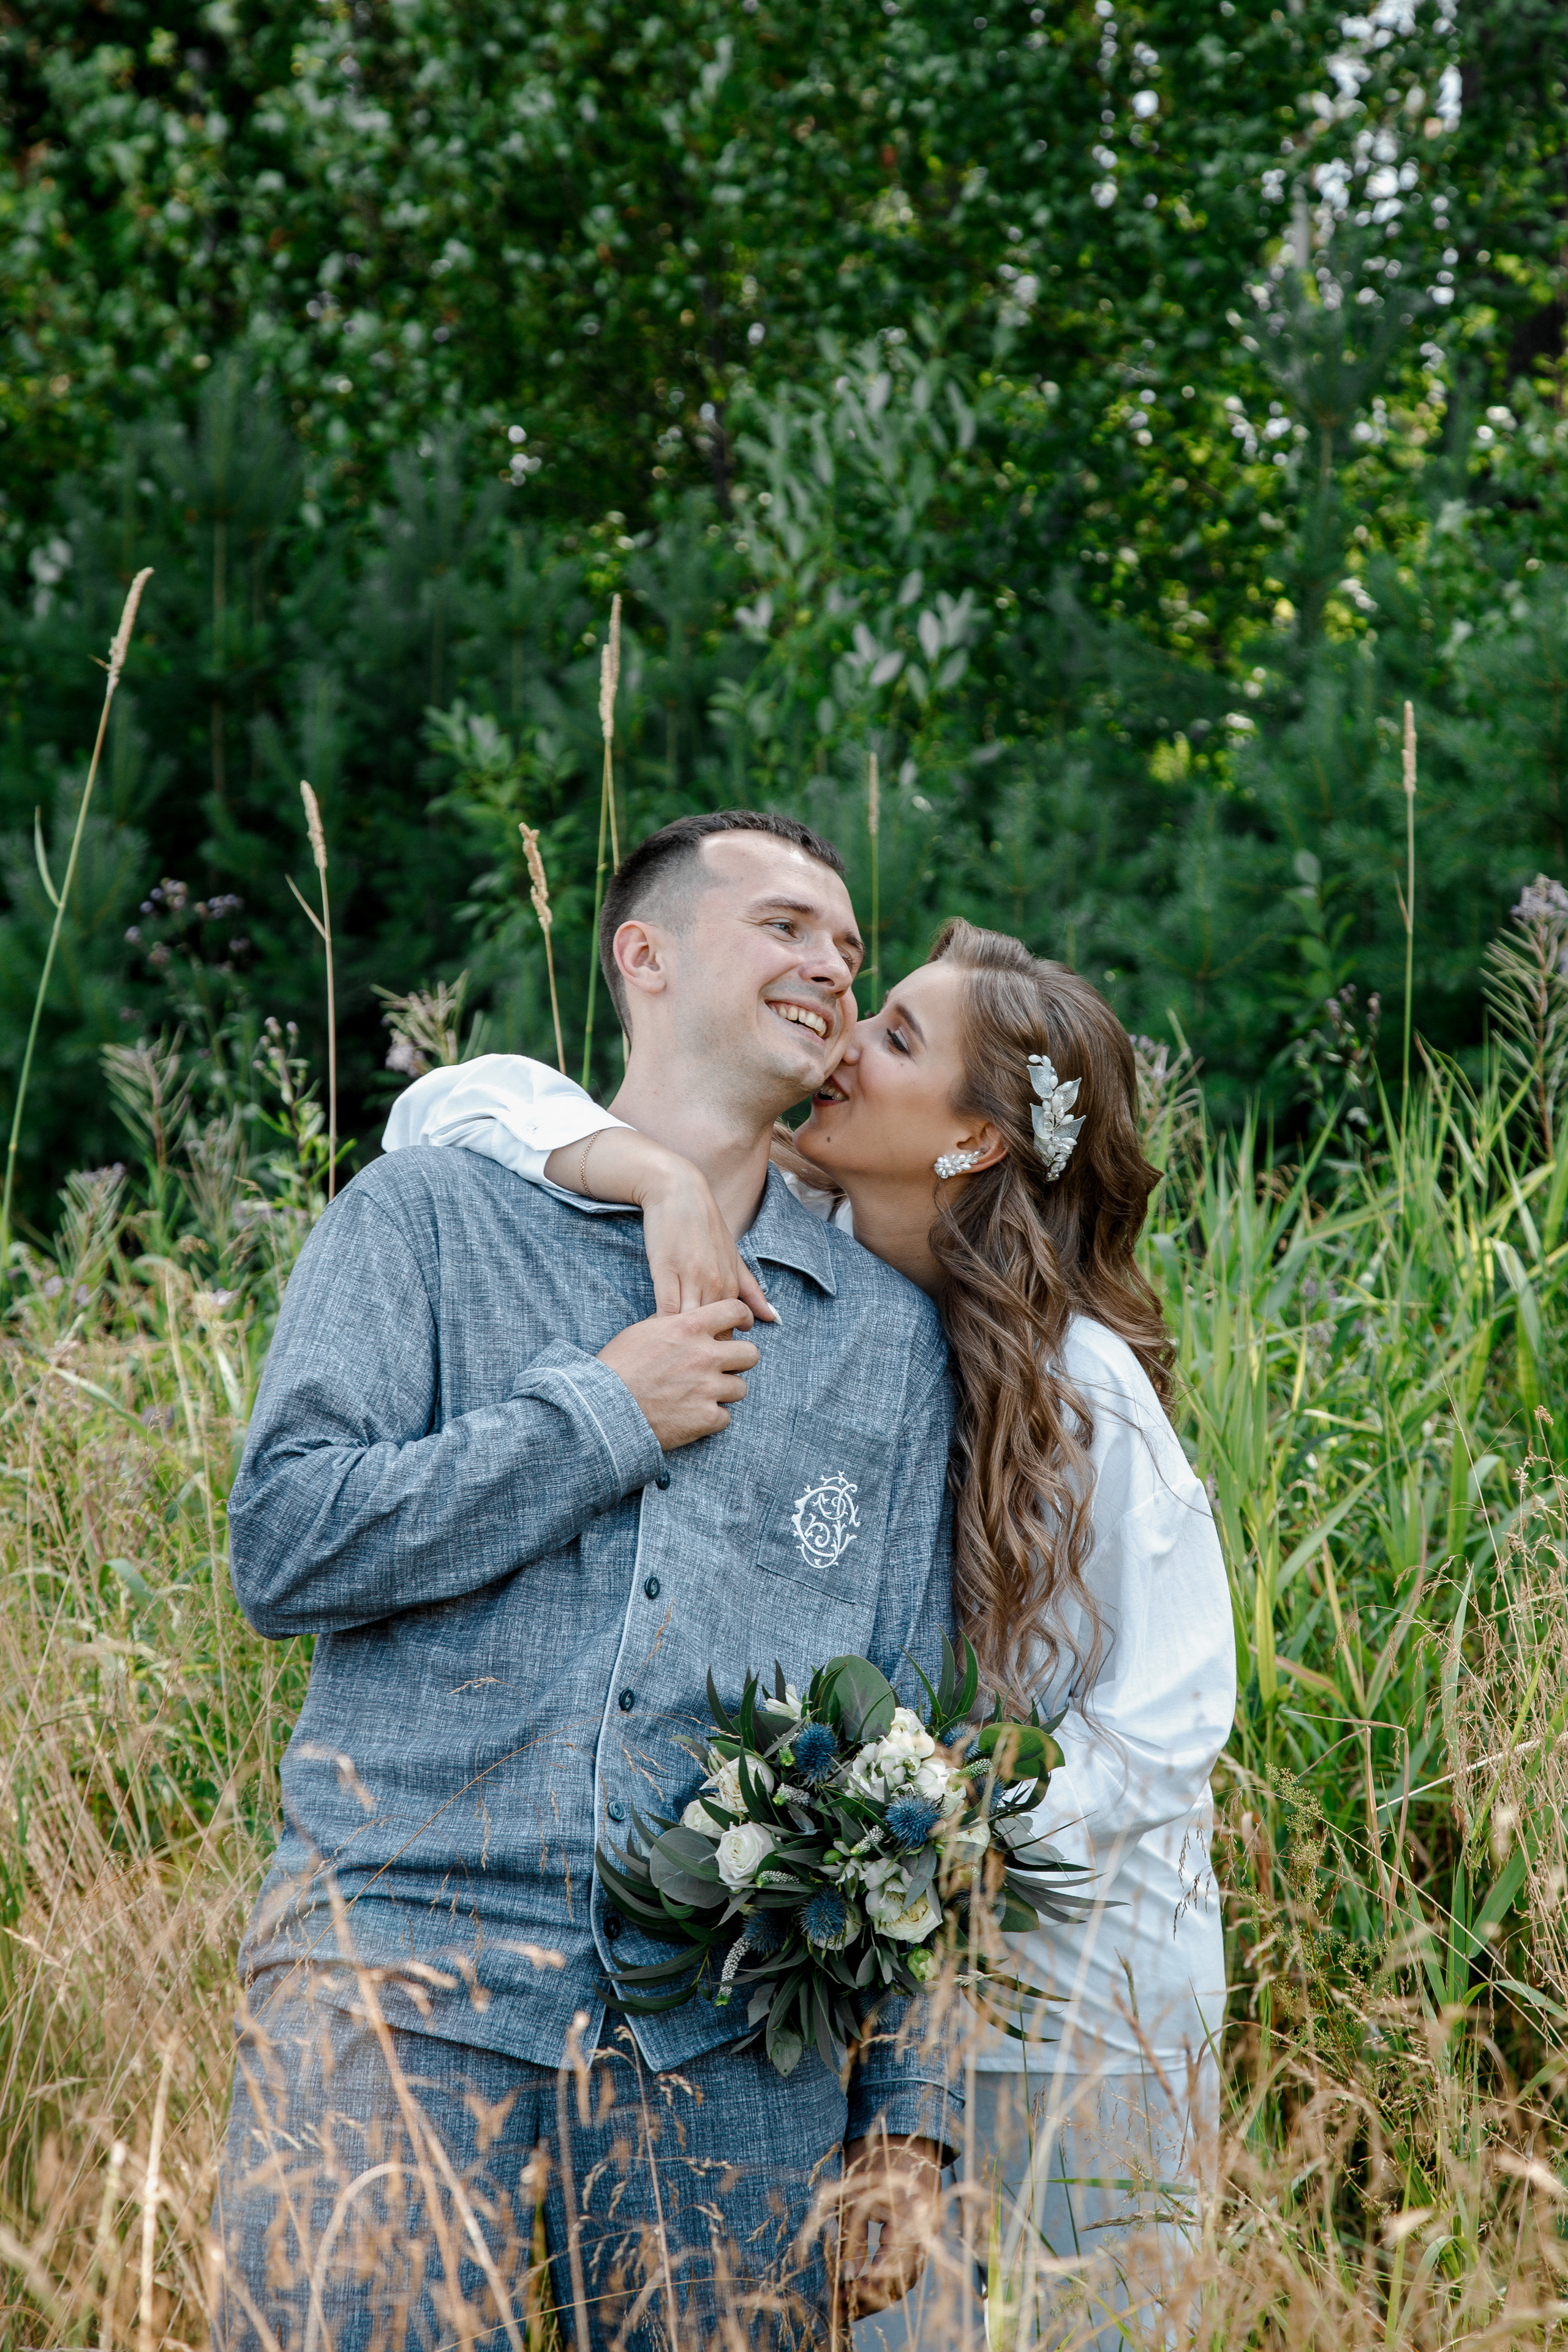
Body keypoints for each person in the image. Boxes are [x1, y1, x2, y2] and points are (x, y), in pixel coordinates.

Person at [394, 915, 1236, 2346]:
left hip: (1072, 1988)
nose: (843, 1042)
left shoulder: (1082, 1391)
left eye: (895, 1037)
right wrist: (654, 1175)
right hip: (857, 1977)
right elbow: (443, 1104)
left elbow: (1166, 1732)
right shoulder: (802, 1245)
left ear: (972, 1144)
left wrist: (909, 1818)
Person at [213, 811, 961, 2352]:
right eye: (781, 926)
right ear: (645, 955)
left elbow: (915, 1733)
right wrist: (597, 1417)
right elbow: (282, 1542)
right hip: (398, 1989)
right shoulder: (425, 1221)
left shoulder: (885, 1345)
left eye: (845, 942)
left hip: (738, 2047)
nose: (831, 961)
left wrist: (907, 2120)